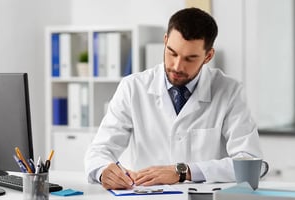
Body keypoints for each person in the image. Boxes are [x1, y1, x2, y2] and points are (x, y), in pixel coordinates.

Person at [84, 7, 263, 190]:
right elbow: (99, 151)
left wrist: (184, 172)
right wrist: (103, 171)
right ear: (165, 41)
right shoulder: (132, 87)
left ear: (208, 56)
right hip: (146, 195)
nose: (177, 66)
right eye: (172, 52)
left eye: (190, 58)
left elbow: (250, 163)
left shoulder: (229, 91)